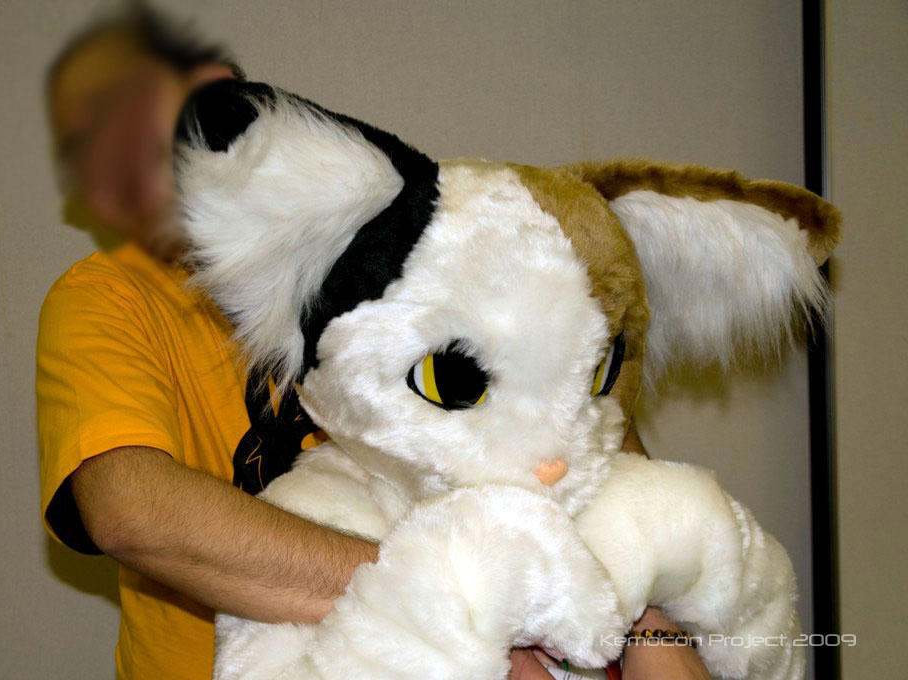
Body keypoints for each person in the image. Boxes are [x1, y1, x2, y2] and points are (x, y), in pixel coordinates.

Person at [38, 6, 710, 680]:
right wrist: (470, 605)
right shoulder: (106, 298)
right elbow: (131, 509)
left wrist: (647, 613)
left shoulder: (369, 242)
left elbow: (578, 419)